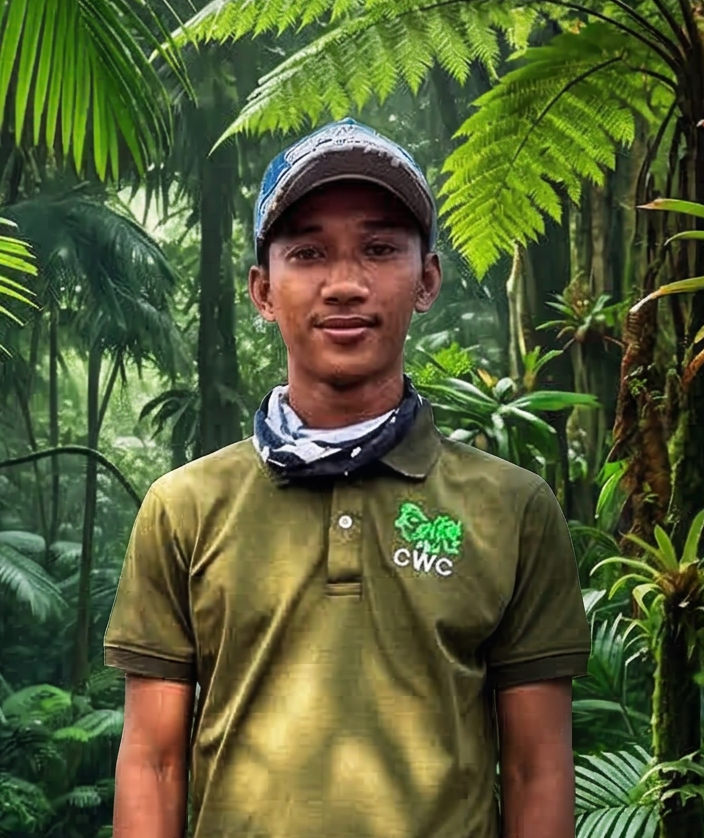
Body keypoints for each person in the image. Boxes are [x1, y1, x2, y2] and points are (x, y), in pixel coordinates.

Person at [104, 118, 591, 838]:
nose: (344, 284)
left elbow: (536, 767)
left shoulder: (511, 509)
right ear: (264, 292)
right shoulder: (184, 508)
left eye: (379, 248)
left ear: (426, 281)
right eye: (308, 252)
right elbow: (153, 760)